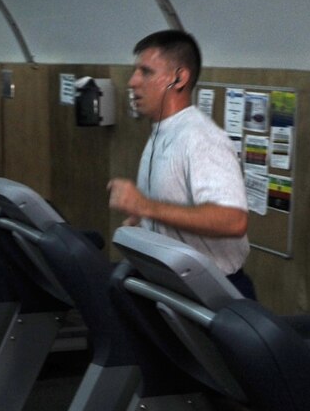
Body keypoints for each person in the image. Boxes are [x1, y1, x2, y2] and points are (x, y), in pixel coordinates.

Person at [108, 29, 254, 295]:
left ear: (179, 78)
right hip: (177, 287)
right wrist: (147, 223)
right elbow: (173, 208)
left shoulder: (201, 138)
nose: (132, 82)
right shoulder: (163, 132)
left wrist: (145, 206)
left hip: (214, 293)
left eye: (146, 72)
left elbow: (233, 220)